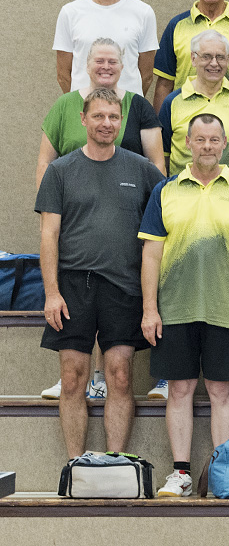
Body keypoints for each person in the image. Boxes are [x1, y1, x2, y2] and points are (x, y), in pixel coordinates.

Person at [139, 113, 229, 498]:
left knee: (221, 390)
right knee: (179, 389)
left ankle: (223, 473)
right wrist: (149, 309)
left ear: (224, 144)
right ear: (188, 143)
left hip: (227, 308)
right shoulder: (165, 190)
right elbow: (151, 255)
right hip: (175, 308)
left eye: (214, 140)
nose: (207, 146)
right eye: (200, 139)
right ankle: (181, 473)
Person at [35, 38, 166, 401]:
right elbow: (49, 232)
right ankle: (78, 446)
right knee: (72, 378)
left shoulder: (141, 167)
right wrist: (51, 292)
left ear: (122, 121)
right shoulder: (61, 168)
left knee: (120, 376)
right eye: (98, 117)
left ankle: (114, 442)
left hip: (123, 280)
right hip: (74, 278)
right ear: (83, 119)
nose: (106, 123)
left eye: (113, 117)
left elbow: (163, 209)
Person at [38, 38, 164, 188]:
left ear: (122, 67)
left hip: (127, 200)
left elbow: (157, 164)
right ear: (87, 66)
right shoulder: (64, 105)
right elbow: (44, 163)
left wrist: (155, 201)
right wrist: (46, 201)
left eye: (112, 62)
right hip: (71, 199)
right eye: (99, 61)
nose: (106, 67)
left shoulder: (140, 106)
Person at [157, 29, 229, 195]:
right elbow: (161, 160)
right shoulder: (172, 102)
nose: (214, 63)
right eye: (206, 56)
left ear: (228, 60)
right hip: (182, 199)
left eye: (220, 57)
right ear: (193, 59)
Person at [53, 0, 158, 95]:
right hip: (84, 108)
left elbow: (147, 75)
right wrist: (82, 104)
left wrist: (125, 103)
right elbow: (63, 75)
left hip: (127, 107)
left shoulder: (143, 12)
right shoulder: (70, 12)